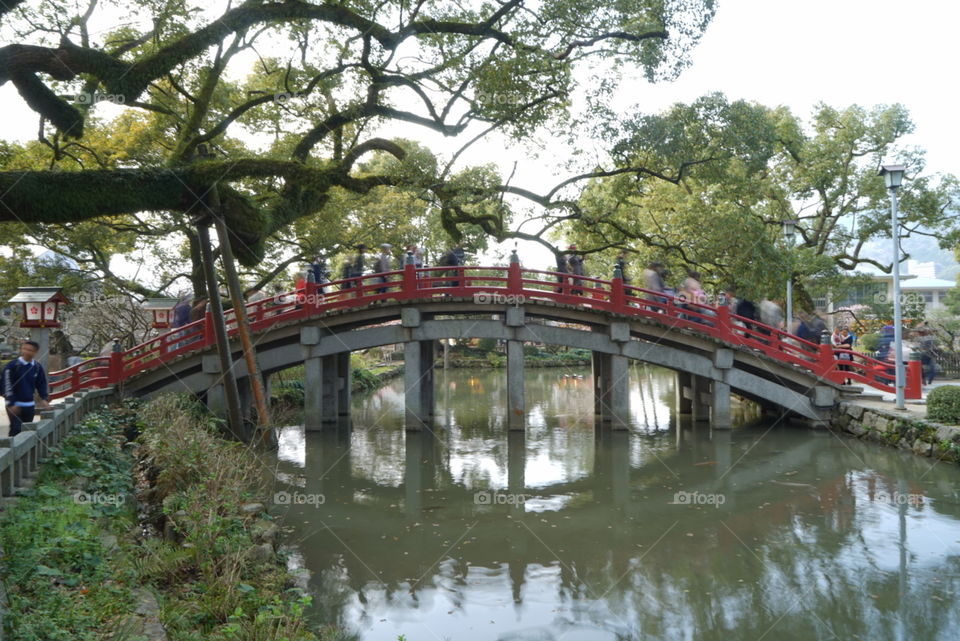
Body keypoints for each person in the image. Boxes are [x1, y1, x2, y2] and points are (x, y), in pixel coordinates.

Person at [3, 340, 51, 437]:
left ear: (35, 352)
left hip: (29, 404)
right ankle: (13, 451)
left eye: (30, 350)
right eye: (24, 349)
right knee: (15, 429)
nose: (26, 352)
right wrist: (11, 402)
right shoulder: (12, 366)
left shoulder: (37, 367)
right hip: (14, 405)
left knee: (26, 430)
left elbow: (41, 383)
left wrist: (44, 398)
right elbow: (6, 384)